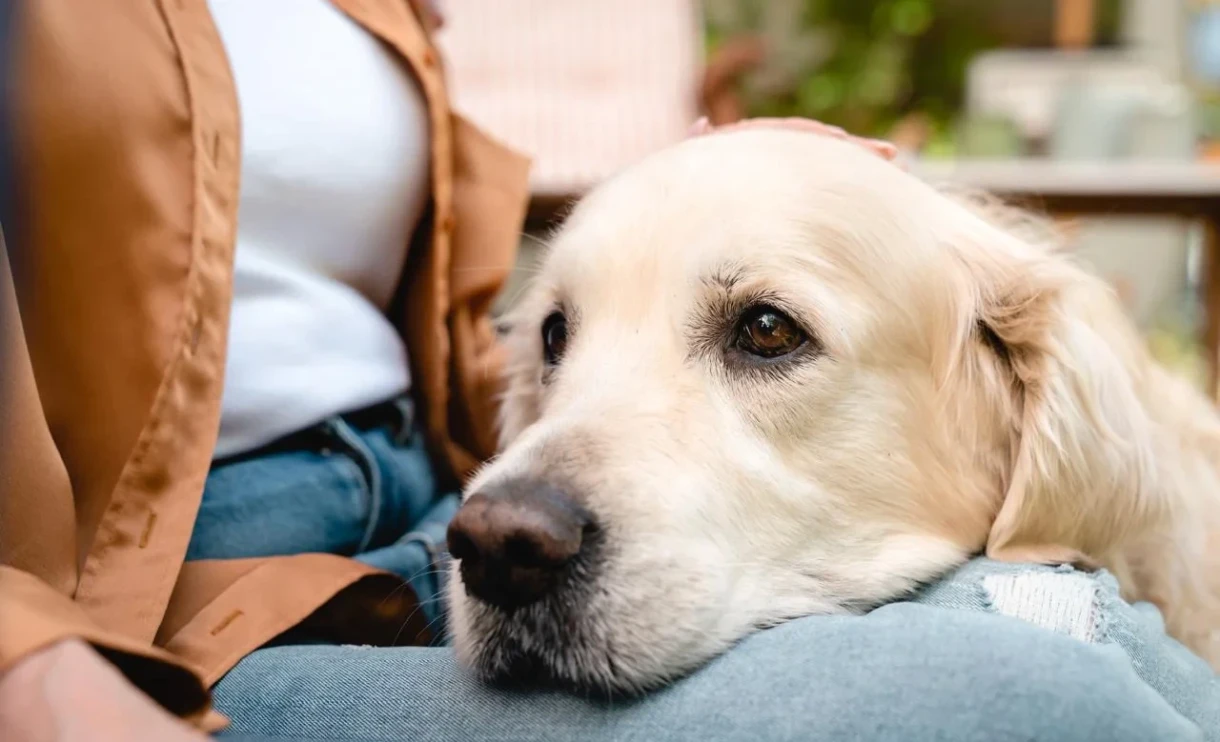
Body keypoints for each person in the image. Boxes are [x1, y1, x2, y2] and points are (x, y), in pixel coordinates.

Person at [0, 2, 1216, 740]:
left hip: (413, 514)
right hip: (151, 622)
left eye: (763, 332)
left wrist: (723, 194)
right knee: (1039, 698)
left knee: (1087, 625)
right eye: (560, 339)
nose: (514, 527)